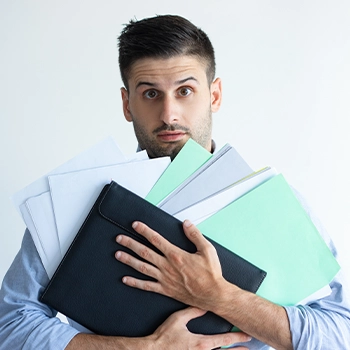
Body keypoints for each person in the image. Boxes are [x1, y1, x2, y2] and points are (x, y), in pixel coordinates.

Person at [0, 14, 349, 350]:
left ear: (214, 95)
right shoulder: (74, 200)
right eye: (151, 93)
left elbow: (340, 332)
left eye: (185, 91)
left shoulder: (275, 203)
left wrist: (221, 296)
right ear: (127, 103)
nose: (169, 114)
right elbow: (11, 324)